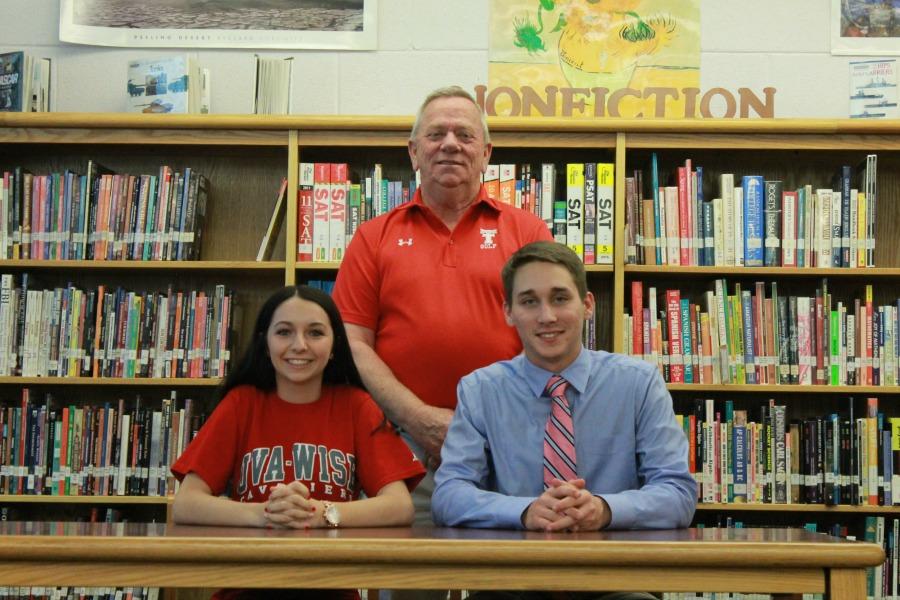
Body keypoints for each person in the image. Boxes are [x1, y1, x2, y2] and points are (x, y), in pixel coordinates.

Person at [332, 85, 553, 527]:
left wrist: (488, 425)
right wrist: (420, 420)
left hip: (507, 441)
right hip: (402, 448)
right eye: (436, 135)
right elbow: (352, 345)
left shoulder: (527, 231)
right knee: (408, 578)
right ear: (414, 152)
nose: (450, 143)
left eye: (464, 135)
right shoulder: (373, 237)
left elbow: (551, 335)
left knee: (507, 583)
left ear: (486, 152)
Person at [432, 241, 696, 598]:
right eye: (529, 301)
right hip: (514, 583)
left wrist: (604, 509)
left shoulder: (638, 383)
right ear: (508, 312)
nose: (547, 317)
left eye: (560, 298)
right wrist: (525, 511)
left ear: (587, 305)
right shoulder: (480, 390)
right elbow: (448, 494)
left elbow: (678, 493)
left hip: (613, 582)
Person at [171, 285, 426, 600]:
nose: (299, 345)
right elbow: (186, 504)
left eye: (316, 333)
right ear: (265, 343)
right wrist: (265, 513)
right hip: (247, 589)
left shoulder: (356, 405)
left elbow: (400, 506)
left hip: (330, 589)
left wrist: (321, 514)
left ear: (334, 346)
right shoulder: (241, 404)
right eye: (284, 332)